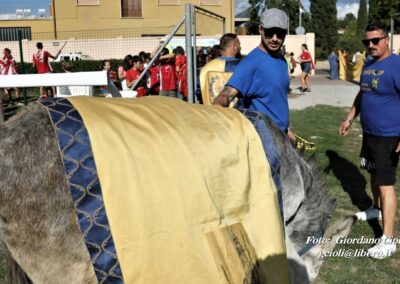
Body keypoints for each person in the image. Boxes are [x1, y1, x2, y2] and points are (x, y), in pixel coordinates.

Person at [339, 22, 400, 259]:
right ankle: (376, 209)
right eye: (367, 42)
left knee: (386, 184)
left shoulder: (396, 65)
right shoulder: (369, 64)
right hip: (370, 133)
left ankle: (387, 239)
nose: (371, 45)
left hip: (389, 135)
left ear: (387, 40)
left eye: (376, 40)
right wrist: (349, 118)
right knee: (373, 174)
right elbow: (362, 93)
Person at [213, 8, 295, 142]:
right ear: (260, 30)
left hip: (281, 136)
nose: (274, 39)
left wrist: (288, 128)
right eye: (269, 32)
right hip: (263, 140)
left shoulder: (281, 60)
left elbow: (278, 98)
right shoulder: (251, 62)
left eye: (280, 33)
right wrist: (216, 111)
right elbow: (227, 94)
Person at [200, 33, 241, 105]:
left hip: (211, 113)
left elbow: (199, 92)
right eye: (239, 45)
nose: (240, 47)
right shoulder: (242, 67)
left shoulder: (206, 68)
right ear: (234, 46)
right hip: (235, 115)